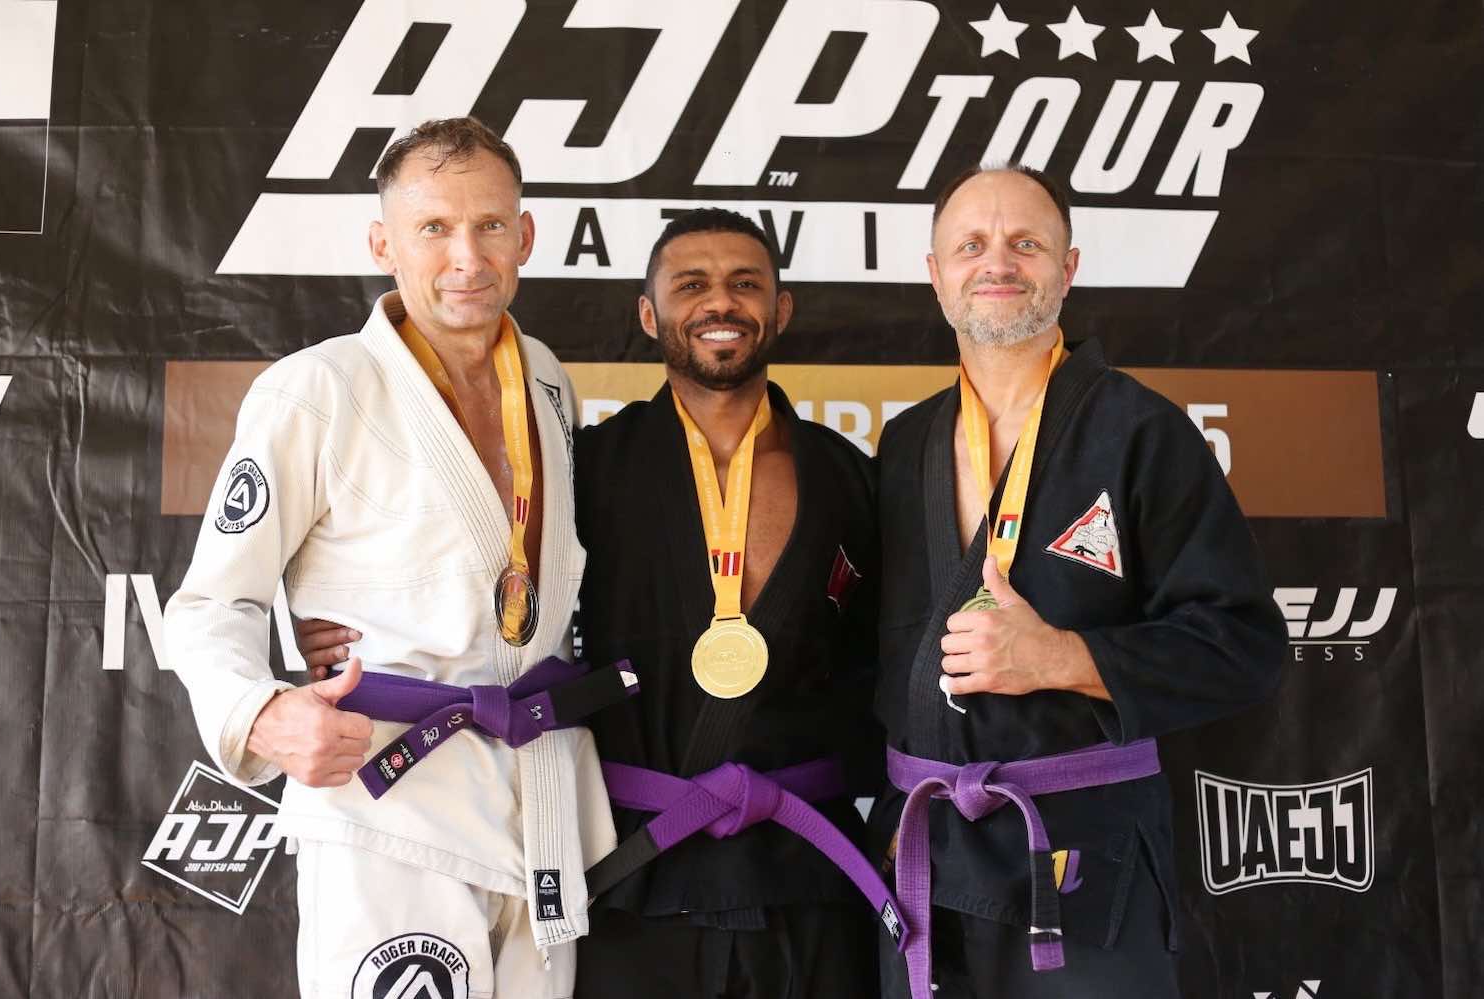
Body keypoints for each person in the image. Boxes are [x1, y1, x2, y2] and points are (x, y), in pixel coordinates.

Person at [303, 208, 895, 997]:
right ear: (648, 314)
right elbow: (473, 587)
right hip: (633, 869)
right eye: (691, 285)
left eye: (745, 284)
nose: (720, 302)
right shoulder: (582, 468)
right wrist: (336, 624)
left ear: (780, 309)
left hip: (810, 874)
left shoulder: (849, 476)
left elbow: (895, 656)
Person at [166, 117, 634, 999]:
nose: (467, 256)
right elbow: (208, 604)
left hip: (537, 797)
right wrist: (260, 712)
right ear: (383, 244)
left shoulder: (545, 379)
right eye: (433, 228)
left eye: (490, 225)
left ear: (525, 234)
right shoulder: (317, 389)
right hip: (390, 798)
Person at [868, 165, 1286, 999]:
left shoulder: (1141, 431)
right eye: (970, 245)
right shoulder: (906, 443)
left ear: (1068, 268)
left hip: (1084, 867)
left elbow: (1244, 645)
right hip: (925, 866)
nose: (997, 262)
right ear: (935, 275)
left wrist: (1061, 657)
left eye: (1025, 243)